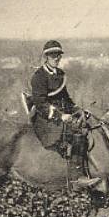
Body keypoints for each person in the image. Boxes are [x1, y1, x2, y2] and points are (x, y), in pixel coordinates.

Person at [29, 40, 97, 188]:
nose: (57, 58)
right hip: (44, 117)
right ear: (46, 57)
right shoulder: (39, 76)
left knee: (86, 124)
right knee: (76, 133)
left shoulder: (60, 74)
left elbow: (65, 99)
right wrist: (60, 116)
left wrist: (77, 109)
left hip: (62, 114)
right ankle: (76, 177)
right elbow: (40, 103)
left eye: (59, 55)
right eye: (53, 56)